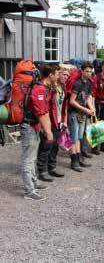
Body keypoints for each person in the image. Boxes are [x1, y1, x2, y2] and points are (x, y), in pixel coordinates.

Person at [21, 63, 59, 200]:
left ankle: (33, 183)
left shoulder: (45, 89)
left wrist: (46, 128)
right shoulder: (39, 90)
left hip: (35, 126)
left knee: (32, 158)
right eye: (57, 73)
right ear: (51, 75)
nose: (59, 76)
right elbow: (41, 113)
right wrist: (48, 132)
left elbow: (46, 112)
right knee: (28, 160)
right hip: (29, 126)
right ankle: (29, 191)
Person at [68, 62, 95, 172]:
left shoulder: (89, 83)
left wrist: (92, 107)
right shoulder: (77, 84)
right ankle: (73, 161)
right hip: (74, 113)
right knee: (74, 138)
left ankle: (79, 159)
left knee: (79, 137)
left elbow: (88, 97)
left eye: (90, 72)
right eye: (87, 71)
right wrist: (86, 109)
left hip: (82, 114)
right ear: (82, 71)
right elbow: (72, 101)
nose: (89, 73)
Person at [47, 66, 70, 179]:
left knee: (55, 145)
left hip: (60, 121)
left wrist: (64, 121)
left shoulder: (63, 88)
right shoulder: (51, 88)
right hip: (51, 121)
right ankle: (43, 170)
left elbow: (64, 106)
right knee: (48, 146)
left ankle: (52, 168)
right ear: (58, 75)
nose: (66, 77)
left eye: (67, 75)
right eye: (63, 74)